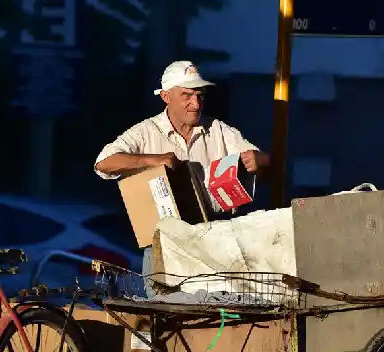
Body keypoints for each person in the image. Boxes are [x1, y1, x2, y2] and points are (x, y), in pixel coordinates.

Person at [94, 60, 270, 282]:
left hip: (214, 241)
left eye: (200, 96)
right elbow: (104, 163)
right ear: (166, 97)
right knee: (163, 310)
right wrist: (154, 160)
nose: (195, 104)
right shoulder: (145, 132)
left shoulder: (218, 130)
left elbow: (264, 162)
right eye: (187, 96)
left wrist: (259, 160)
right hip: (164, 246)